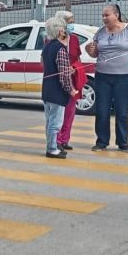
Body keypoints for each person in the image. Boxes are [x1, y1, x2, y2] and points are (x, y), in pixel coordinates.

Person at [86, 4, 128, 152]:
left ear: (116, 15)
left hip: (124, 78)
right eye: (103, 16)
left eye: (107, 15)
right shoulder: (100, 32)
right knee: (102, 110)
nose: (104, 18)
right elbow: (94, 54)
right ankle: (101, 142)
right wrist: (90, 51)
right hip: (102, 77)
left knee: (122, 111)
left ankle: (123, 143)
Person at [41, 17, 78, 159]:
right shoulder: (60, 49)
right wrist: (71, 90)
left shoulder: (47, 46)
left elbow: (52, 67)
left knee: (50, 121)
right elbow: (63, 76)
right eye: (64, 28)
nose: (66, 30)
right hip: (57, 91)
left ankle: (52, 146)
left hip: (47, 89)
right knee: (55, 123)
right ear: (59, 30)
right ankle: (52, 149)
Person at [54, 10, 85, 152]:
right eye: (69, 21)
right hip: (57, 81)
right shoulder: (51, 40)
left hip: (72, 80)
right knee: (58, 113)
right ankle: (57, 140)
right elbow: (47, 62)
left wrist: (75, 68)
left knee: (70, 112)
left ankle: (65, 139)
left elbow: (78, 59)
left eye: (72, 21)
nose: (72, 24)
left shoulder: (74, 40)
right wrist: (64, 69)